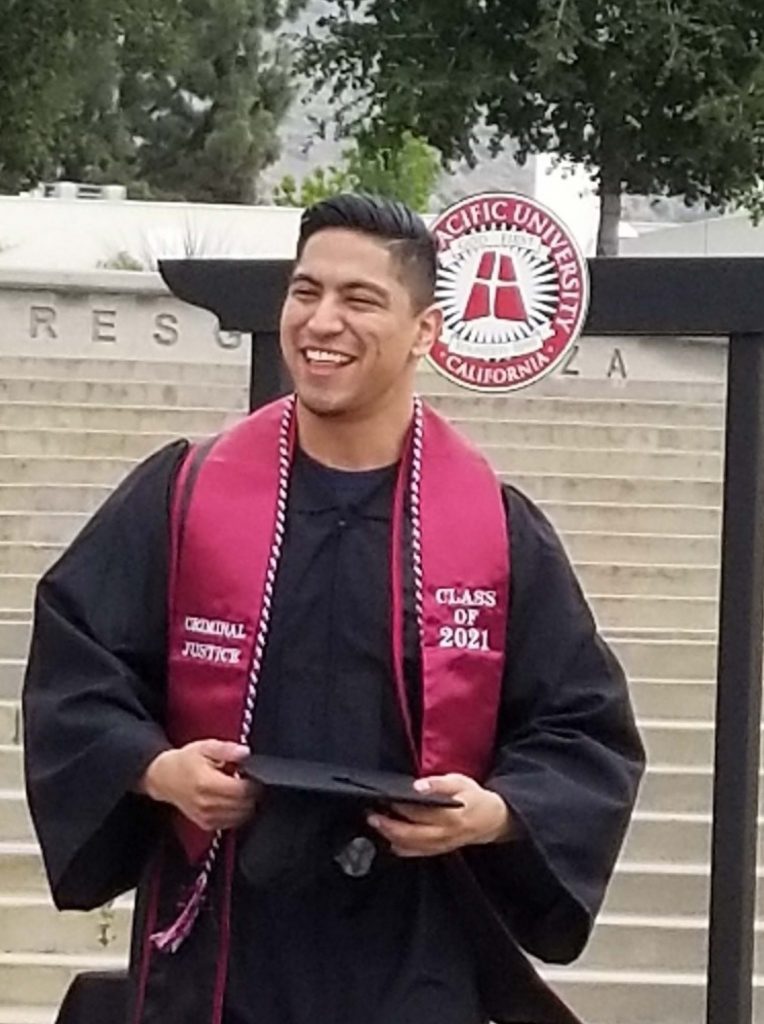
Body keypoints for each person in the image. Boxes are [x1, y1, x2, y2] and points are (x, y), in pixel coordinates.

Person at [23, 194, 645, 1024]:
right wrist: (157, 768)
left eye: (359, 300)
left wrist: (495, 813)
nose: (321, 322)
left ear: (425, 331)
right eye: (305, 291)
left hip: (416, 950)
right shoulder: (183, 496)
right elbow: (77, 671)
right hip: (223, 946)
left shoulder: (491, 529)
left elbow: (579, 727)